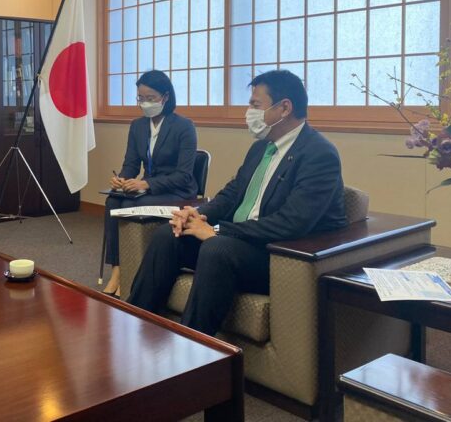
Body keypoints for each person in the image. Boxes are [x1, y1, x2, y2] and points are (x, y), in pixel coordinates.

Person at [127, 69, 346, 335]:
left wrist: (218, 231)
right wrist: (196, 215)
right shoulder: (261, 147)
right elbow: (231, 194)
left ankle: (193, 345)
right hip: (239, 240)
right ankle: (134, 323)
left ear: (284, 108)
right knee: (168, 234)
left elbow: (292, 222)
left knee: (217, 248)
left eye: (255, 105)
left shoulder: (318, 154)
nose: (249, 112)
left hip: (274, 254)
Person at [101, 70, 198, 297]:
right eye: (141, 98)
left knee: (128, 206)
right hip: (148, 188)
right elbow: (131, 164)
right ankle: (118, 269)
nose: (145, 103)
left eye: (150, 98)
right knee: (113, 201)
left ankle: (131, 270)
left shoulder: (184, 126)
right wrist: (121, 179)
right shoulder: (137, 126)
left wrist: (145, 184)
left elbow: (183, 175)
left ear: (165, 97)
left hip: (177, 191)